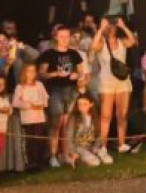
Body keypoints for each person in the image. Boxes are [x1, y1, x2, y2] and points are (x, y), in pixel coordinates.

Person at [37, 26, 85, 168]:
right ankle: (53, 155)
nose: (64, 39)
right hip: (55, 90)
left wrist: (77, 75)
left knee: (66, 125)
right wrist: (55, 74)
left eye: (67, 36)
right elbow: (42, 73)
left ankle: (65, 154)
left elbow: (81, 71)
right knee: (55, 124)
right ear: (56, 37)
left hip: (71, 90)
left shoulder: (74, 54)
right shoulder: (49, 54)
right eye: (61, 36)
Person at [91, 16, 136, 159]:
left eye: (113, 26)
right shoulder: (101, 43)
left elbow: (132, 41)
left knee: (121, 115)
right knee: (106, 115)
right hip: (106, 82)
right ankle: (103, 145)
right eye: (109, 27)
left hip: (122, 81)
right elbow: (93, 46)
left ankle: (121, 144)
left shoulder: (121, 42)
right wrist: (100, 29)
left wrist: (123, 26)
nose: (112, 28)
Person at [65, 94, 111, 167]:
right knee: (95, 163)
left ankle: (96, 156)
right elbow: (69, 137)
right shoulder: (74, 118)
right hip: (79, 148)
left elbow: (98, 136)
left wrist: (95, 148)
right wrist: (73, 152)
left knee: (108, 161)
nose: (82, 107)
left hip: (91, 147)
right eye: (79, 104)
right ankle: (77, 160)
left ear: (91, 104)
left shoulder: (94, 117)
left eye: (85, 104)